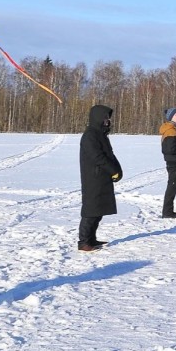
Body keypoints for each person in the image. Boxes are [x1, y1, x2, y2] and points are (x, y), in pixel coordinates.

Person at [78, 104, 122, 251]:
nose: (107, 121)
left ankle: (92, 238)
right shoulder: (90, 135)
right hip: (93, 178)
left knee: (99, 210)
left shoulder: (101, 135)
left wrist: (117, 170)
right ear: (98, 118)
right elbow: (98, 157)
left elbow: (110, 154)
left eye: (108, 118)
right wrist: (111, 170)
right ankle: (83, 242)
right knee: (91, 210)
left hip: (102, 177)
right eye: (105, 118)